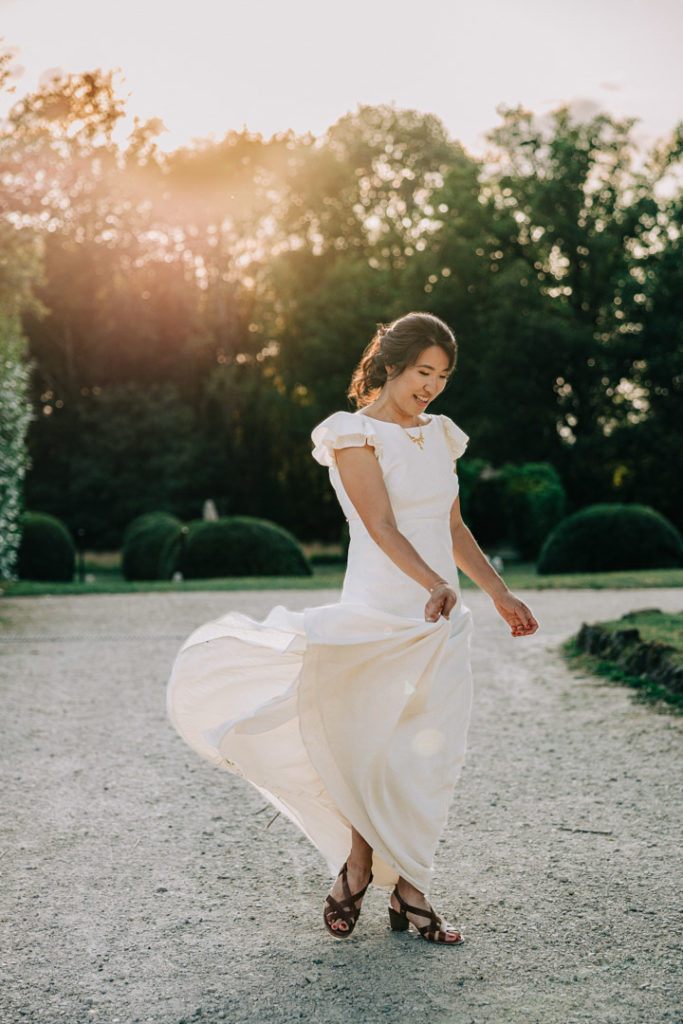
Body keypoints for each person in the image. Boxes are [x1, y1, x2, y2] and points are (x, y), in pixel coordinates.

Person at [167, 311, 538, 947]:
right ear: (392, 364)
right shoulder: (352, 434)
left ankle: (404, 884)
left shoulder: (443, 435)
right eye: (423, 372)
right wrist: (433, 582)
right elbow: (380, 525)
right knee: (367, 748)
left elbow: (452, 528)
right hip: (379, 611)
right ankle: (368, 870)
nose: (432, 386)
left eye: (443, 376)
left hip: (441, 620)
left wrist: (499, 593)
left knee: (428, 758)